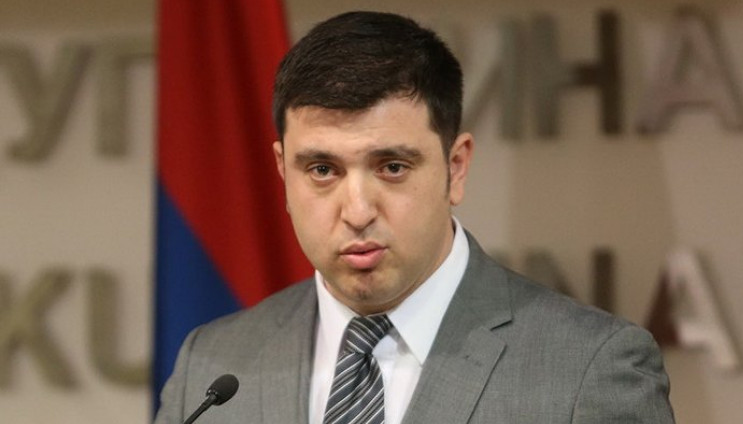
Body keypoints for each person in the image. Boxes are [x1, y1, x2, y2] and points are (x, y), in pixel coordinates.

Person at [154, 11, 674, 424]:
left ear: (456, 167)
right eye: (322, 170)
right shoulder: (213, 361)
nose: (357, 211)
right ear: (281, 171)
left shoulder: (589, 367)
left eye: (393, 167)